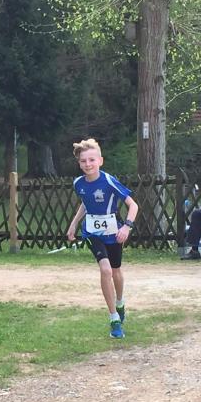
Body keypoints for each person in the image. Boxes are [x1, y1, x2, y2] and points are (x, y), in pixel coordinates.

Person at [67, 138, 139, 339]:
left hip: (113, 232)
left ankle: (120, 302)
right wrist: (74, 224)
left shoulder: (108, 181)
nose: (88, 164)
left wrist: (127, 226)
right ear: (79, 163)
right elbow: (85, 203)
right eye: (83, 161)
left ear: (100, 161)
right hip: (91, 232)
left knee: (116, 270)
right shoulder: (78, 183)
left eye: (91, 160)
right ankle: (114, 318)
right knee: (105, 269)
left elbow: (133, 205)